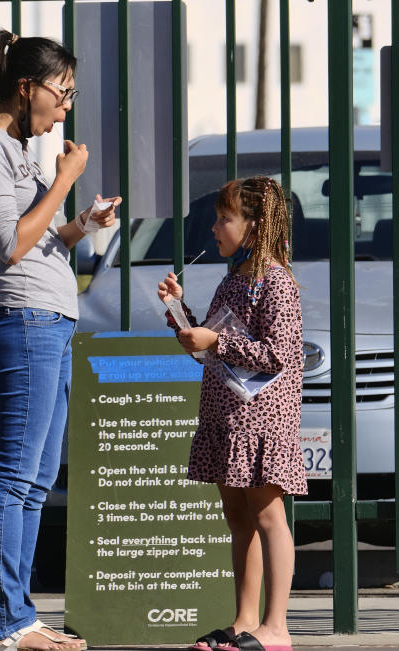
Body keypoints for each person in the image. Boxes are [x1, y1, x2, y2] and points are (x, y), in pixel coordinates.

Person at [0, 29, 120, 651]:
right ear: (26, 88)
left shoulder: (19, 147)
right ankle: (5, 623)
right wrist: (64, 181)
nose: (66, 106)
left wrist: (80, 224)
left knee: (36, 477)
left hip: (49, 319)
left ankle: (19, 615)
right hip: (21, 323)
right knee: (14, 476)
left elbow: (39, 239)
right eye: (62, 91)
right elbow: (9, 245)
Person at [157, 176, 305, 651]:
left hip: (261, 420)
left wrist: (215, 340)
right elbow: (216, 349)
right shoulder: (231, 279)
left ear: (256, 226)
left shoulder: (275, 282)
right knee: (238, 519)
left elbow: (277, 354)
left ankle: (276, 626)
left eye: (225, 219)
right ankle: (244, 619)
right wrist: (187, 321)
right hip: (227, 417)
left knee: (267, 516)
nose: (215, 228)